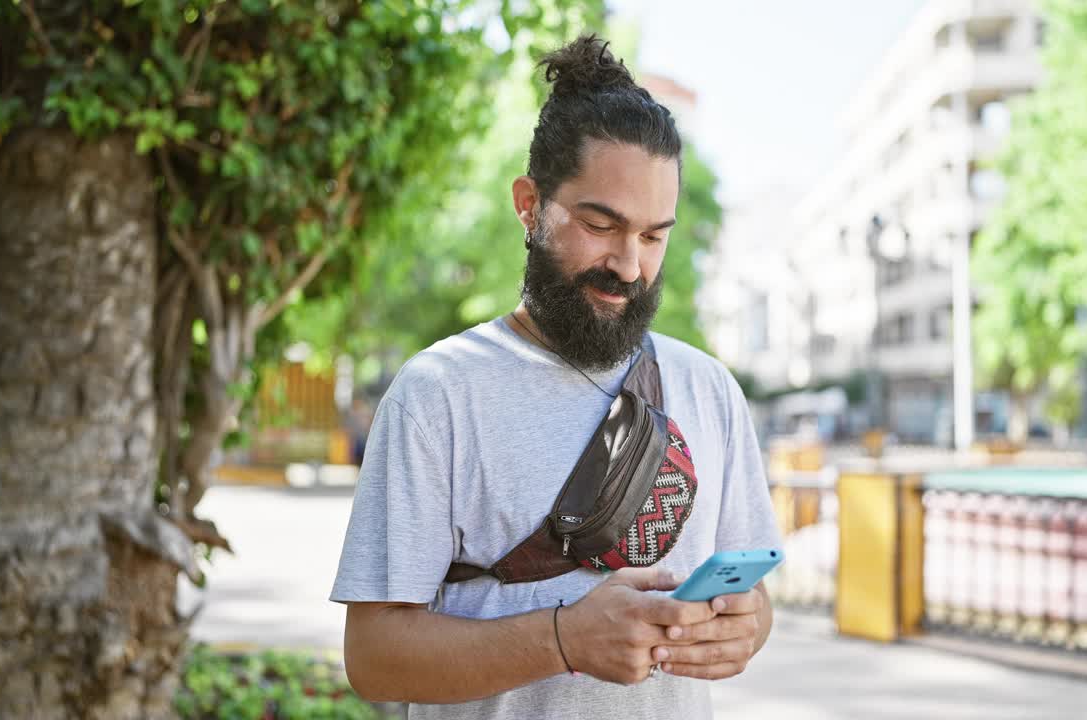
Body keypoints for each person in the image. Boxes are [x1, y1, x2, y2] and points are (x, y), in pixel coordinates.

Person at [329, 34, 782, 719]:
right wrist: (564, 639)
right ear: (529, 206)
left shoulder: (711, 390)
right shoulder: (437, 395)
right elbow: (374, 659)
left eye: (654, 236)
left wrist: (745, 629)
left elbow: (754, 601)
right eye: (601, 225)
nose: (629, 265)